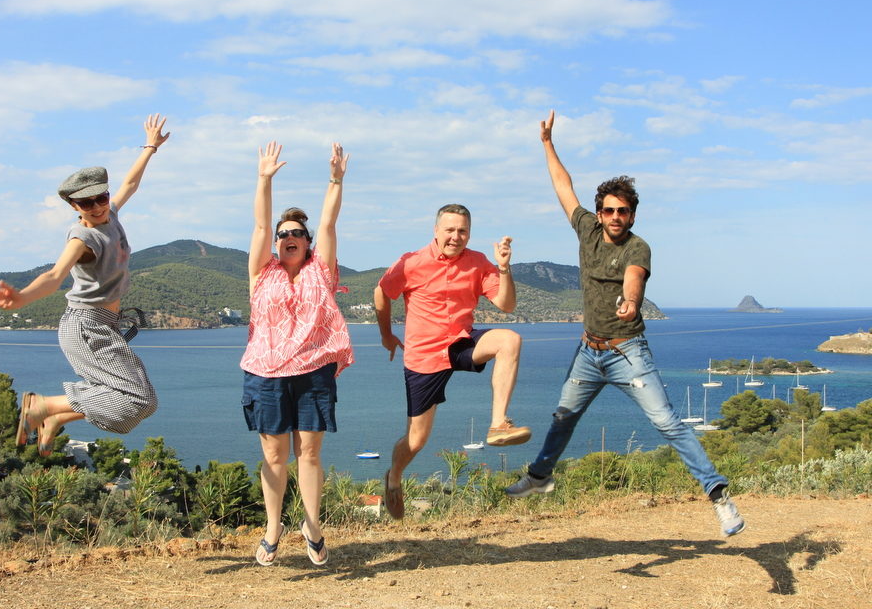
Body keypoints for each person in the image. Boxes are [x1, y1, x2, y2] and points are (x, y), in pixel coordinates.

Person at [505, 110, 745, 536]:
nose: (616, 216)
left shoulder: (639, 247)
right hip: (587, 352)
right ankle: (541, 477)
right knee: (563, 417)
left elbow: (633, 281)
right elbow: (564, 187)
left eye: (624, 211)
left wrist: (631, 305)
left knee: (667, 422)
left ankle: (717, 494)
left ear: (633, 215)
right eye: (609, 210)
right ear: (599, 213)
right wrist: (546, 143)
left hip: (626, 353)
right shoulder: (587, 231)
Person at [0, 114, 169, 456]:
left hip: (105, 325)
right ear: (73, 206)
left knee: (143, 402)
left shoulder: (109, 215)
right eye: (87, 203)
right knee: (137, 399)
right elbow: (54, 276)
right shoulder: (82, 237)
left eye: (101, 198)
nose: (98, 207)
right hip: (85, 326)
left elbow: (129, 184)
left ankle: (55, 418)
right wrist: (22, 296)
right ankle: (42, 406)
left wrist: (149, 148)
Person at [376, 204, 530, 520]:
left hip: (460, 341)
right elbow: (382, 293)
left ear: (469, 234)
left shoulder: (476, 263)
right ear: (436, 231)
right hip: (424, 357)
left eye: (462, 231)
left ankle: (498, 424)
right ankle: (393, 476)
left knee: (510, 339)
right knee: (416, 440)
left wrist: (503, 268)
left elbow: (507, 305)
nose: (455, 237)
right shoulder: (412, 262)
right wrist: (387, 335)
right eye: (450, 230)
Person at [240, 141, 354, 566]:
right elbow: (258, 225)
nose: (289, 237)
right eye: (283, 234)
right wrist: (264, 178)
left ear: (307, 243)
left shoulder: (322, 271)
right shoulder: (260, 272)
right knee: (273, 455)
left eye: (296, 234)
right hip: (265, 373)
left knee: (309, 452)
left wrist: (336, 179)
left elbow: (329, 221)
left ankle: (312, 524)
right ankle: (273, 528)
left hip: (312, 372)